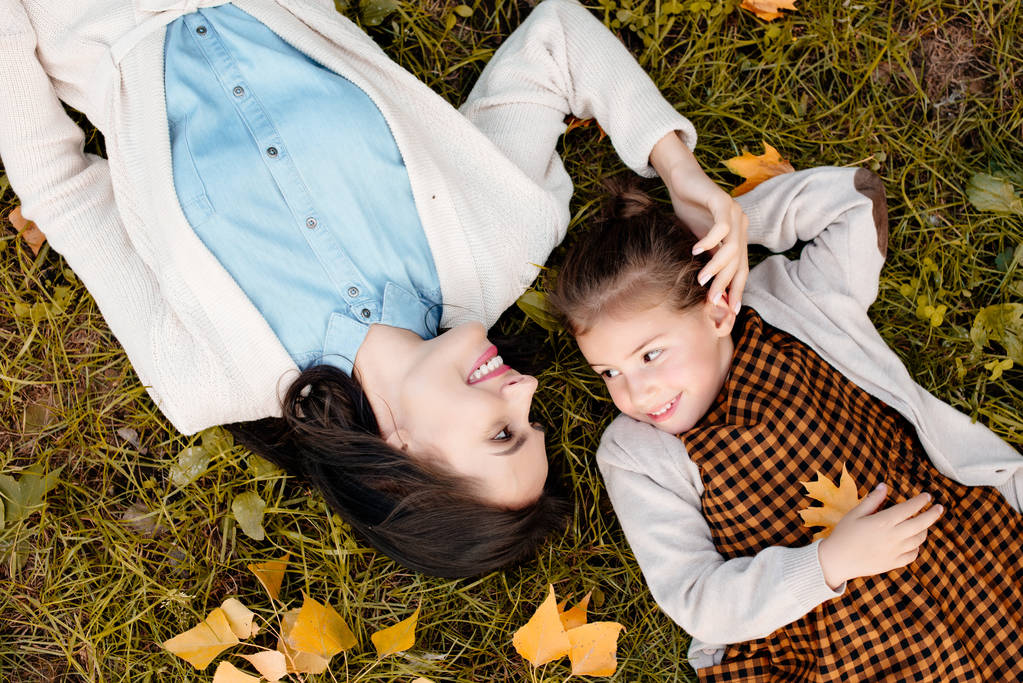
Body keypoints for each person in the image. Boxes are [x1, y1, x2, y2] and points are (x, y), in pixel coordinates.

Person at [0, 0, 749, 576]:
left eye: (501, 431)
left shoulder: (206, 377)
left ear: (401, 456)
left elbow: (63, 187)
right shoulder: (501, 238)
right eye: (533, 416)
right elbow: (557, 38)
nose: (522, 387)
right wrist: (679, 171)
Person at [550, 168, 1023, 679]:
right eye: (609, 372)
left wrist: (721, 231)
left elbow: (854, 201)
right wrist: (827, 564)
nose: (634, 392)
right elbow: (695, 596)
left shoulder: (798, 302)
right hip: (834, 643)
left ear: (717, 310)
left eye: (651, 355)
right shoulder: (635, 454)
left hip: (966, 558)